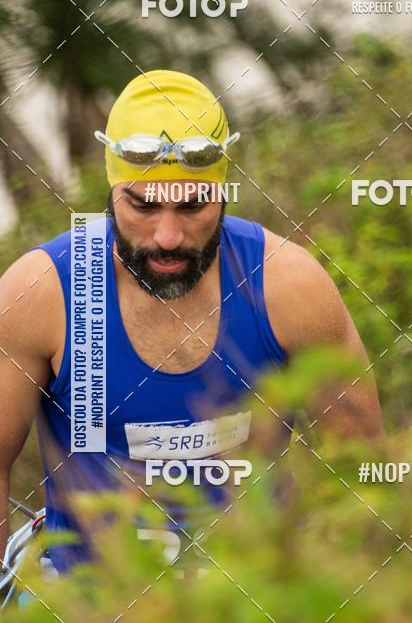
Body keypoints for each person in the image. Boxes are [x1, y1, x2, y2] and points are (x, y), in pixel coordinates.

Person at [0, 69, 383, 575]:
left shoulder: (287, 286)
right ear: (113, 190)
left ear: (223, 193)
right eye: (142, 205)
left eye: (193, 205)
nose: (167, 236)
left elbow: (365, 473)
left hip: (259, 616)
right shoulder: (43, 292)